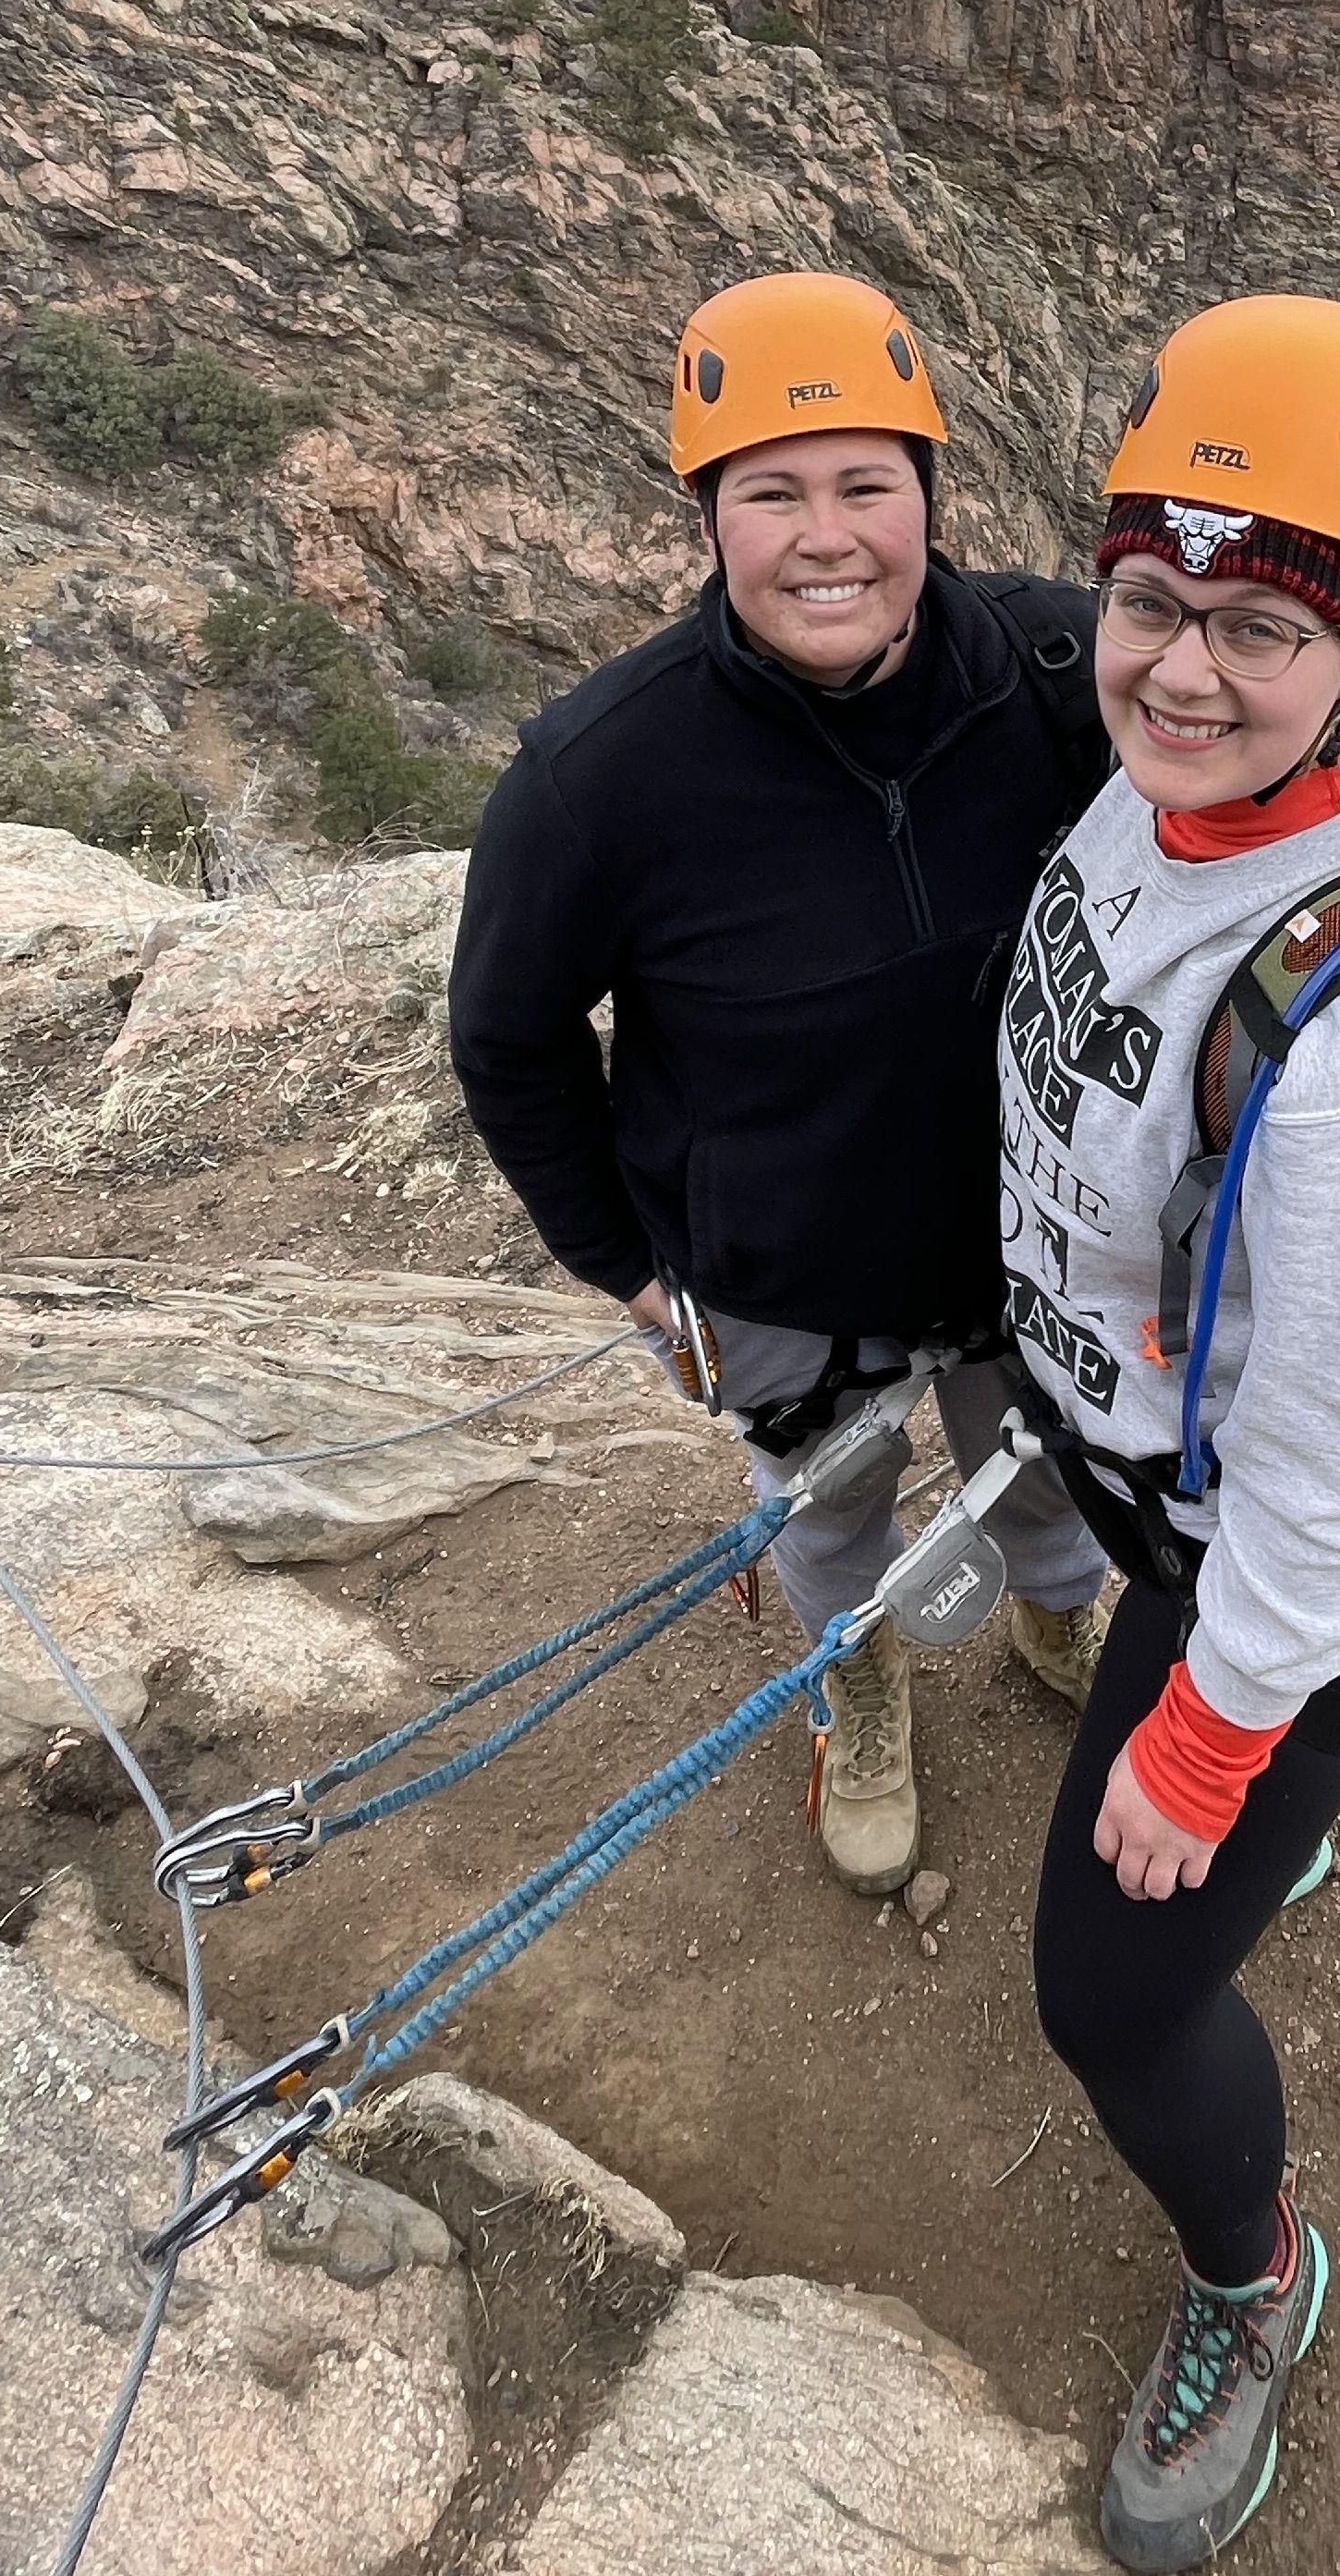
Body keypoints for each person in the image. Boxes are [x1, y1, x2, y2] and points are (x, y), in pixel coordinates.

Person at [995, 294, 1340, 2571]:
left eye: (1255, 624)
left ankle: (1254, 2278)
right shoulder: (1167, 804)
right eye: (1150, 604)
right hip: (1172, 1487)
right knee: (1181, 1865)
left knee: (1110, 1988)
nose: (1183, 670)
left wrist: (1216, 1743)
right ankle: (1274, 1821)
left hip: (1280, 1570)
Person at [446, 268, 1120, 1897]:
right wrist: (622, 1263)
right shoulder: (604, 775)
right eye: (774, 494)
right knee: (829, 1509)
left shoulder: (1055, 677)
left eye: (867, 486)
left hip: (1034, 1236)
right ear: (710, 516)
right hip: (784, 1265)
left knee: (1063, 1475)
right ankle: (859, 1674)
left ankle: (1055, 1617)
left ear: (928, 499)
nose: (828, 536)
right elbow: (512, 1039)